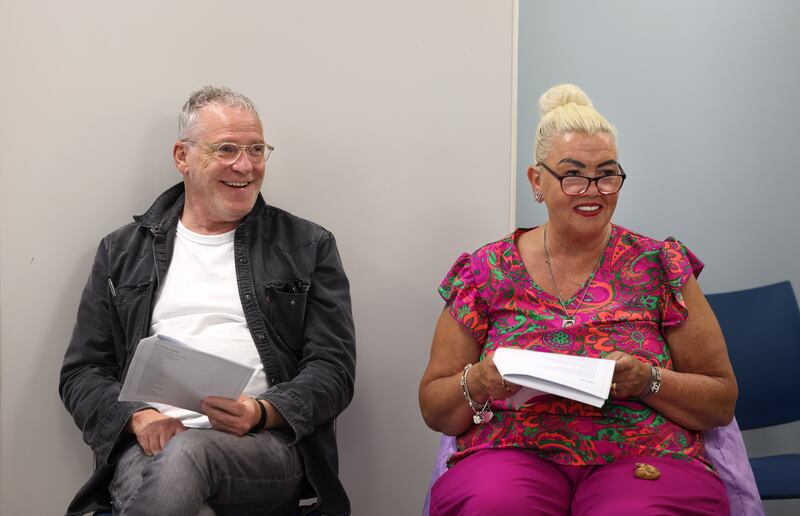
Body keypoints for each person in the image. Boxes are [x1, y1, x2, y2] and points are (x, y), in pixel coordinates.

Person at [419, 84, 737, 515]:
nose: (593, 190)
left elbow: (720, 400)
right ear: (537, 181)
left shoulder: (660, 265)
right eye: (572, 175)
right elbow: (435, 408)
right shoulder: (485, 271)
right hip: (512, 449)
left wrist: (647, 380)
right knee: (494, 505)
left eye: (607, 174)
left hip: (644, 452)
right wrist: (480, 380)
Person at [59, 86, 356, 516]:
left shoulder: (307, 245)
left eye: (256, 149)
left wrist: (262, 411)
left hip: (262, 446)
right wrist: (139, 418)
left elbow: (334, 369)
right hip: (148, 446)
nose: (245, 165)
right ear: (183, 156)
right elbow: (82, 372)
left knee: (186, 455)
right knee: (175, 471)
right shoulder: (121, 253)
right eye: (227, 149)